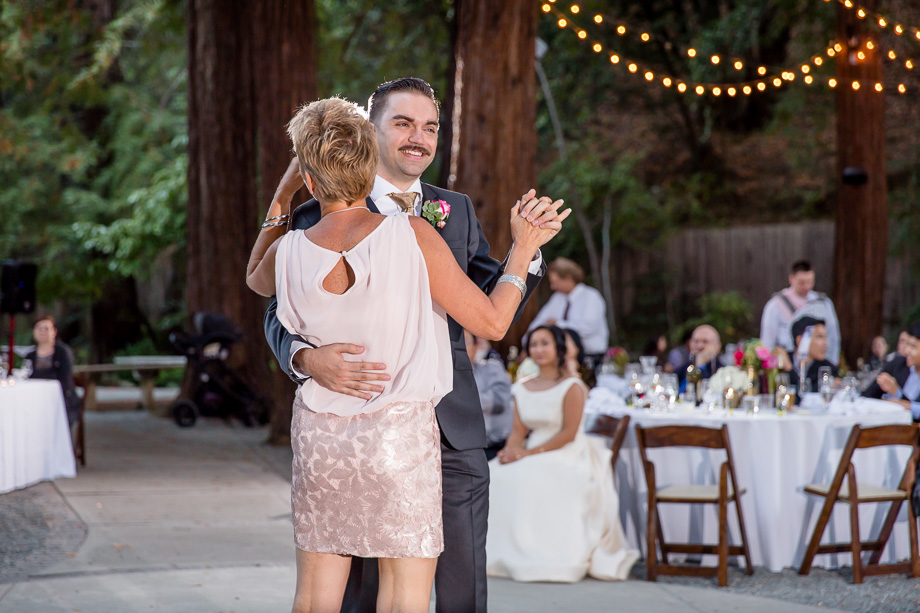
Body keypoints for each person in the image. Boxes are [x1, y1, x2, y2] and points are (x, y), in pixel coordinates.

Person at [247, 97, 568, 612]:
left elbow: (254, 278)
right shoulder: (412, 233)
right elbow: (490, 319)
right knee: (405, 596)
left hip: (321, 439)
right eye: (402, 123)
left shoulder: (289, 247)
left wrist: (284, 193)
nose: (419, 135)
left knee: (313, 596)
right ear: (369, 155)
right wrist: (525, 247)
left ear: (309, 177)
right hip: (399, 438)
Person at [486, 325, 638, 583]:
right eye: (534, 344)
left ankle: (543, 554)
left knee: (534, 476)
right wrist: (511, 450)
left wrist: (527, 453)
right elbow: (517, 430)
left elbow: (569, 432)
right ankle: (498, 553)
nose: (538, 350)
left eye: (545, 343)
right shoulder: (522, 387)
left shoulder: (573, 386)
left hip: (568, 450)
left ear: (558, 349)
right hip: (531, 449)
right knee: (494, 473)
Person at [523, 257, 609, 370]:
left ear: (568, 279)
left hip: (591, 359)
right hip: (562, 360)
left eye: (555, 282)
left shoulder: (591, 297)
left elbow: (587, 328)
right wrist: (527, 344)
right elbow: (539, 322)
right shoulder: (557, 299)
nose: (552, 287)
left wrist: (558, 324)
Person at [760, 260, 841, 365]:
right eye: (802, 283)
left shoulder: (824, 303)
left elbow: (833, 337)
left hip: (817, 365)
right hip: (787, 363)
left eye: (810, 282)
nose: (807, 287)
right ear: (791, 279)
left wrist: (831, 365)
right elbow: (767, 342)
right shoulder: (775, 305)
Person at [464, 331, 513, 461]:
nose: (460, 347)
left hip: (493, 447)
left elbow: (500, 400)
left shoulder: (491, 367)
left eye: (466, 341)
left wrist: (460, 401)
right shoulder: (443, 377)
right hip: (462, 449)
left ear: (476, 347)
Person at [26, 316, 81, 427]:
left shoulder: (62, 352)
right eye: (39, 328)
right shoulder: (30, 356)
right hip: (35, 401)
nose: (42, 332)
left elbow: (65, 379)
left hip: (60, 401)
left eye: (46, 328)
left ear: (54, 331)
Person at [864, 322, 920, 422]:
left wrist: (896, 392)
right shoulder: (897, 364)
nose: (906, 350)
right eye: (906, 344)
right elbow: (868, 394)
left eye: (913, 346)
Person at [776, 316, 838, 394]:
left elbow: (806, 398)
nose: (825, 343)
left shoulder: (827, 369)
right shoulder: (780, 362)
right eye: (820, 337)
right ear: (800, 340)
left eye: (825, 337)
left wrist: (789, 369)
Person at [676, 324, 725, 393]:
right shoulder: (684, 368)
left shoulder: (722, 371)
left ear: (717, 346)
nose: (699, 346)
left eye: (705, 341)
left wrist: (700, 366)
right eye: (696, 341)